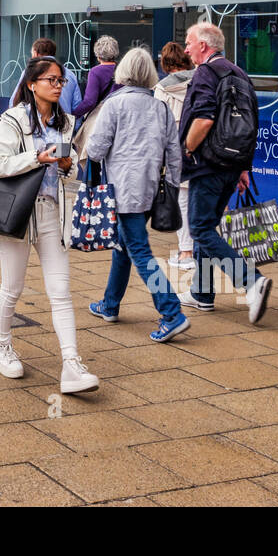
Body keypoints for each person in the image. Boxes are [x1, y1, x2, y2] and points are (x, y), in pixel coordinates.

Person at [0, 55, 99, 394]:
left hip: (51, 211)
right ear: (32, 84)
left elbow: (73, 172)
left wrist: (66, 164)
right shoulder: (14, 119)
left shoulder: (65, 124)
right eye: (51, 79)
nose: (57, 85)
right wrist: (35, 158)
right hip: (18, 213)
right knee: (13, 288)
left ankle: (71, 365)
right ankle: (2, 348)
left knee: (61, 292)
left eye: (61, 80)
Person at [84, 48, 188, 342]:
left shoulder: (114, 106)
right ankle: (110, 304)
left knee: (139, 251)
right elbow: (174, 154)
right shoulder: (161, 107)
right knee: (124, 246)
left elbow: (95, 150)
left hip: (123, 191)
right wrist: (173, 186)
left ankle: (171, 311)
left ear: (123, 72)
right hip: (150, 190)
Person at [177, 22, 274, 325]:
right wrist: (244, 167)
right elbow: (252, 123)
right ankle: (202, 293)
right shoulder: (239, 73)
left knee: (200, 229)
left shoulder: (207, 73)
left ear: (204, 46)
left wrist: (187, 150)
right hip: (232, 165)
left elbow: (204, 119)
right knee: (207, 225)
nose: (186, 48)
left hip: (209, 163)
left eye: (189, 42)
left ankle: (251, 282)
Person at [155, 41, 197, 270]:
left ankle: (186, 252)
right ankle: (202, 247)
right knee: (199, 200)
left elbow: (159, 125)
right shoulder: (200, 80)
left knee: (181, 202)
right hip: (200, 149)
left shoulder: (162, 89)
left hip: (176, 152)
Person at [74, 35, 122, 119]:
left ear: (98, 55)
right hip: (120, 114)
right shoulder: (123, 69)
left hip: (103, 116)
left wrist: (74, 114)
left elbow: (90, 102)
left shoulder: (95, 72)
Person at [30, 37, 82, 114]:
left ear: (35, 53)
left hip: (37, 123)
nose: (58, 86)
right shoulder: (71, 75)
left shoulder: (30, 72)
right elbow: (77, 106)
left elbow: (15, 101)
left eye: (61, 81)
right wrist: (74, 125)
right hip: (65, 123)